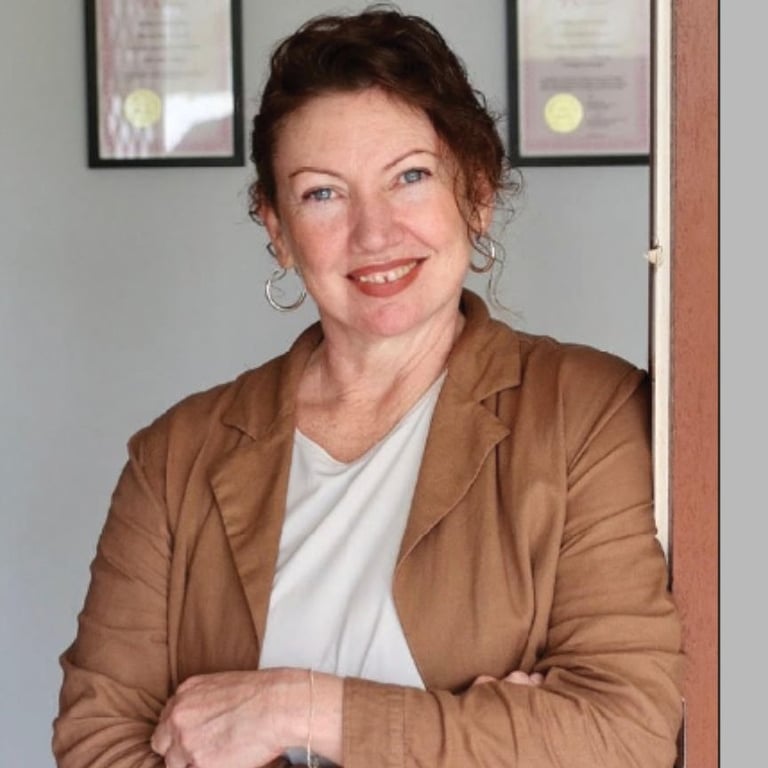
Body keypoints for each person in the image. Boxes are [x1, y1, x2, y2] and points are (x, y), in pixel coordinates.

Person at [53, 5, 683, 768]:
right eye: (323, 193)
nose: (374, 233)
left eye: (410, 177)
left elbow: (624, 731)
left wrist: (297, 707)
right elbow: (96, 742)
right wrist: (491, 731)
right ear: (277, 228)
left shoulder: (589, 410)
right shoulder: (173, 457)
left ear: (476, 191)